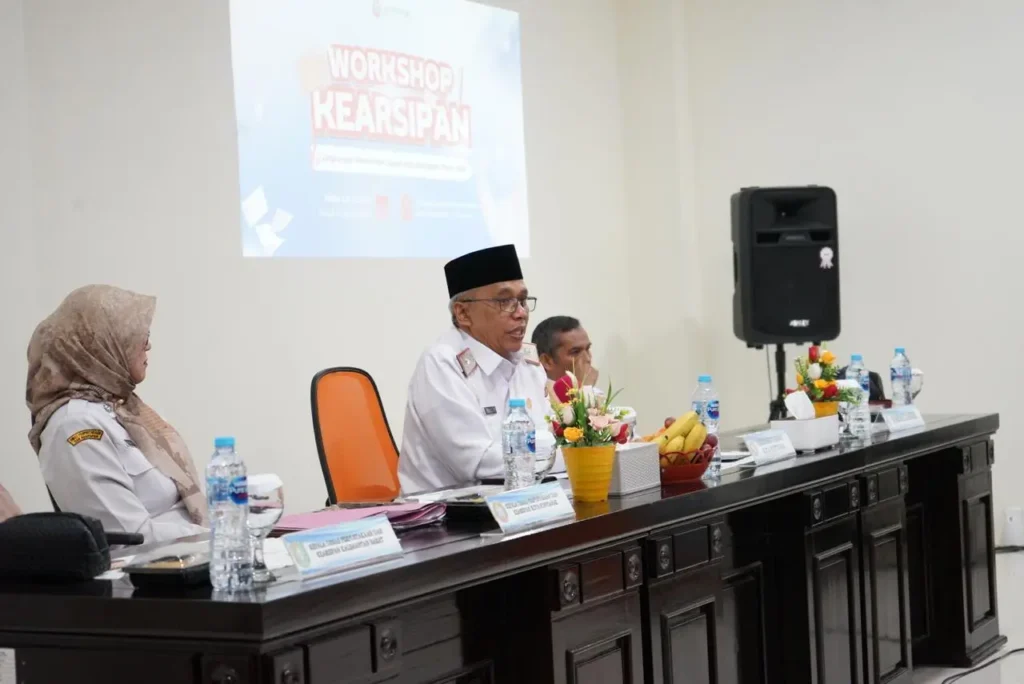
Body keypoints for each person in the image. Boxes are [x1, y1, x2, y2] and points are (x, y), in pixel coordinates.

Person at [26, 285, 208, 543]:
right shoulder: (74, 426)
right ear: (100, 345)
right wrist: (218, 535)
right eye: (137, 338)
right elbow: (127, 539)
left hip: (193, 557)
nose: (148, 346)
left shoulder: (124, 410)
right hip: (151, 574)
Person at [398, 245, 555, 493]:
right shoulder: (442, 363)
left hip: (521, 502)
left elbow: (548, 432)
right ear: (463, 313)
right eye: (505, 301)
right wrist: (557, 449)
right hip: (447, 519)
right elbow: (477, 462)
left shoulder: (528, 365)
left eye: (523, 300)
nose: (521, 313)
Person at [531, 316, 599, 388]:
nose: (587, 358)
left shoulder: (596, 393)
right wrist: (585, 388)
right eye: (575, 352)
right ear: (547, 361)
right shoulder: (533, 396)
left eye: (587, 349)